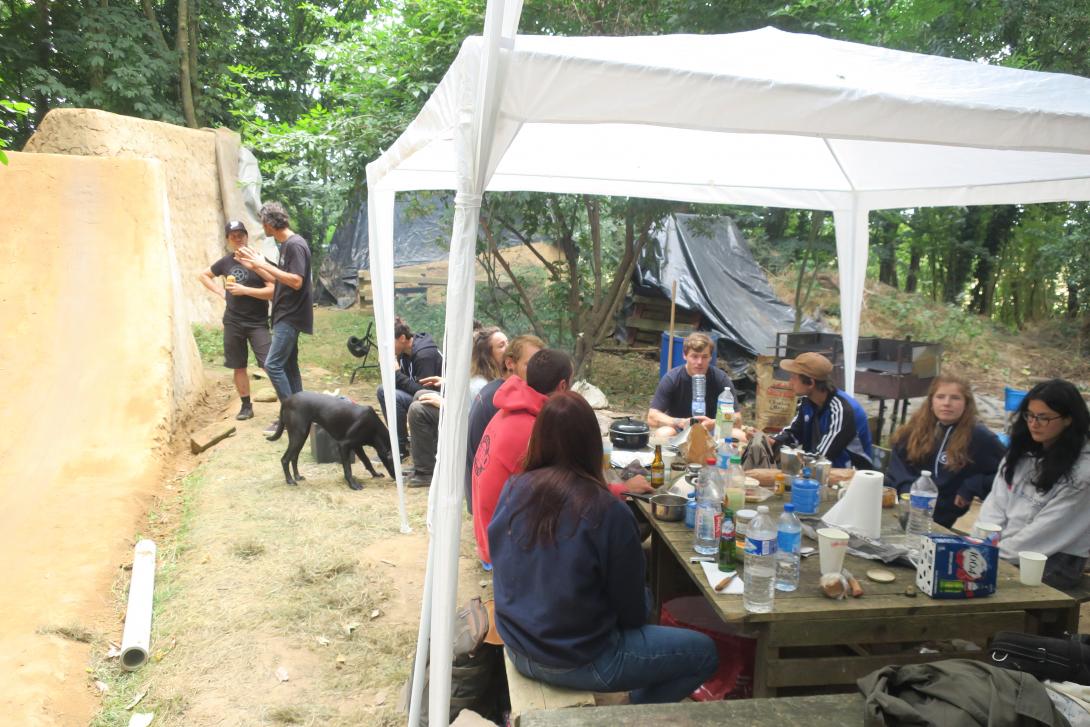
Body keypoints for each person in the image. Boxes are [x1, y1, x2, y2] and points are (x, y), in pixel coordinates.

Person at [489, 391, 719, 704]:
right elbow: (633, 613)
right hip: (578, 660)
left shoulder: (513, 488)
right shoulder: (609, 511)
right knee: (704, 653)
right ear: (593, 445)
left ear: (538, 438)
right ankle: (631, 710)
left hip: (518, 645)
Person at [978, 378, 1090, 588]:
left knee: (991, 586)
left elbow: (1047, 531)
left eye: (1044, 418)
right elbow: (995, 504)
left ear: (1068, 419)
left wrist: (992, 554)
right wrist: (982, 542)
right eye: (1029, 415)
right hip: (1004, 547)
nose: (1033, 423)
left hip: (1054, 557)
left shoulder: (1082, 473)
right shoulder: (1021, 452)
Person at [885, 375, 1005, 528]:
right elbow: (897, 464)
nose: (946, 403)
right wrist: (909, 491)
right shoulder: (916, 428)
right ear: (931, 401)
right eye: (940, 397)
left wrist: (973, 485)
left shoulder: (980, 437)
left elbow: (1008, 473)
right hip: (905, 506)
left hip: (941, 517)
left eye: (955, 398)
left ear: (966, 404)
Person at [234, 202, 313, 434]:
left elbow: (296, 281)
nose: (262, 227)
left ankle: (291, 416)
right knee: (288, 366)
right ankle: (302, 413)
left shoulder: (295, 245)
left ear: (269, 224)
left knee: (273, 364)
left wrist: (261, 264)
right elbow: (280, 278)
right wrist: (256, 266)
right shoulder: (286, 245)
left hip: (290, 315)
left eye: (263, 223)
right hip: (284, 313)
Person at [198, 221, 274, 420]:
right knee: (238, 365)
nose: (238, 238)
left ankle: (288, 405)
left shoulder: (259, 260)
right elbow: (204, 275)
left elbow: (273, 291)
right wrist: (221, 292)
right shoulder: (225, 262)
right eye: (233, 236)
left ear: (247, 236)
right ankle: (246, 406)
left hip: (257, 322)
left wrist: (245, 290)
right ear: (228, 240)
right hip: (233, 322)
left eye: (241, 234)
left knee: (269, 364)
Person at [465, 334, 544, 512]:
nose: (539, 373)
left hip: (479, 495)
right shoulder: (505, 401)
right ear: (510, 363)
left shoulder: (497, 391)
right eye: (530, 365)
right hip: (491, 506)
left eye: (541, 366)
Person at [771, 352, 874, 469]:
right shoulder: (808, 401)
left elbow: (822, 457)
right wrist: (773, 441)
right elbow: (794, 433)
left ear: (810, 383)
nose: (790, 382)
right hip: (819, 469)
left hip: (850, 473)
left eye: (794, 378)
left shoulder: (842, 410)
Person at [647, 332, 737, 439]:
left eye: (704, 357)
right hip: (680, 430)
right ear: (685, 355)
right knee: (664, 433)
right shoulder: (672, 378)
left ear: (710, 357)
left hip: (712, 430)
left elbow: (737, 418)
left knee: (737, 435)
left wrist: (714, 423)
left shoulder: (721, 379)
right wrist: (680, 422)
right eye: (694, 356)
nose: (699, 362)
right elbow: (652, 417)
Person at [376, 316, 443, 460]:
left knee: (391, 395)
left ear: (401, 338)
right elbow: (401, 385)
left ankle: (401, 448)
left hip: (437, 401)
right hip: (419, 397)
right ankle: (399, 446)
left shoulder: (424, 355)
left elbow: (424, 392)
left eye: (388, 343)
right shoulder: (403, 353)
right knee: (383, 391)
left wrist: (396, 374)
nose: (386, 347)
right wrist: (387, 370)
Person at [469, 326, 508, 401]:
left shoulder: (502, 380)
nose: (508, 348)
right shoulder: (480, 386)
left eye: (507, 342)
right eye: (501, 345)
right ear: (487, 355)